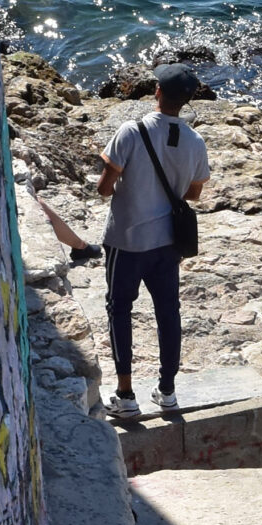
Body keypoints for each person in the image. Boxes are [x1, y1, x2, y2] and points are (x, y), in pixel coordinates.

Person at [97, 64, 210, 420]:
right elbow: (193, 193)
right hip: (167, 245)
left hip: (126, 240)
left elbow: (104, 187)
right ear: (188, 100)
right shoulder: (195, 142)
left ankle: (125, 393)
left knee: (119, 310)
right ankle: (167, 391)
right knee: (168, 313)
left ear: (157, 92)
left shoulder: (130, 131)